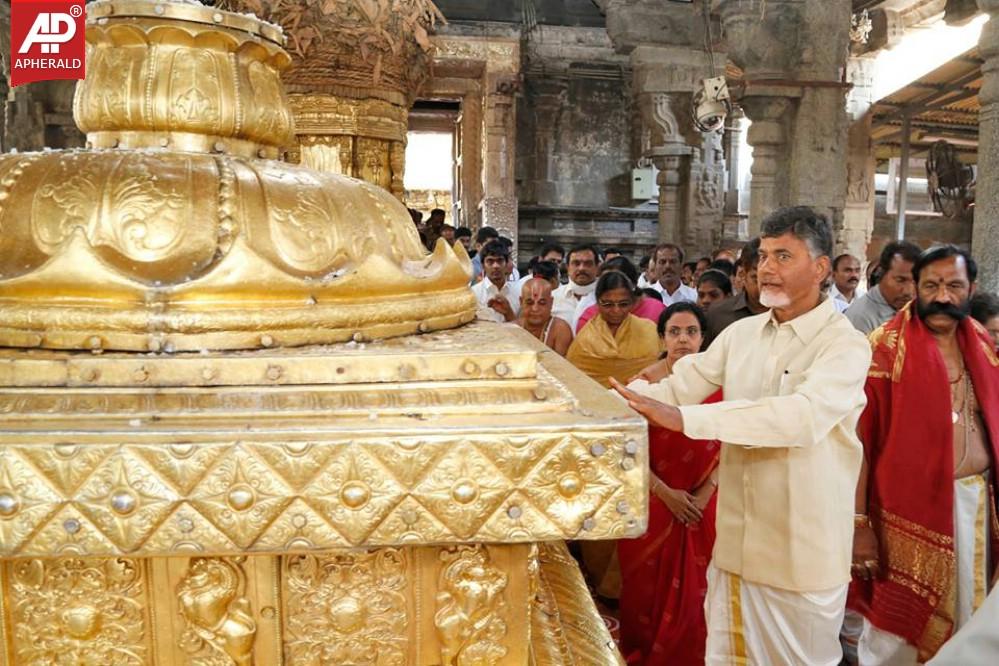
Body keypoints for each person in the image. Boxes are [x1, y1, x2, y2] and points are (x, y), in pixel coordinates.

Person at [611, 206, 872, 665]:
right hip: (734, 550)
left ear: (820, 268)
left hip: (800, 556)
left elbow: (800, 417)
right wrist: (609, 404)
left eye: (783, 256)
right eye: (764, 256)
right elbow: (680, 387)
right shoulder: (742, 335)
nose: (767, 268)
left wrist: (684, 419)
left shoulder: (844, 344)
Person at [849, 245, 999, 665]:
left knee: (974, 624)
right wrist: (858, 524)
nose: (943, 297)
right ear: (915, 287)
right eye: (931, 286)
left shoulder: (982, 342)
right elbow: (859, 444)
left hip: (976, 506)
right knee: (896, 639)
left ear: (971, 289)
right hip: (904, 519)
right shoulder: (883, 349)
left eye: (954, 286)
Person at [618, 302, 721, 665]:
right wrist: (666, 494)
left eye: (691, 332)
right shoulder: (642, 386)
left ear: (703, 338)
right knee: (645, 595)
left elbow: (733, 443)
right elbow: (625, 451)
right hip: (652, 502)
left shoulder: (721, 385)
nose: (683, 340)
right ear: (662, 338)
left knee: (701, 596)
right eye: (674, 332)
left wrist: (705, 493)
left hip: (704, 506)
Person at [566, 271, 661, 389]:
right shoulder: (585, 339)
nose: (616, 310)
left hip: (640, 397)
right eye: (608, 304)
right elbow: (574, 381)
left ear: (632, 302)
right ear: (597, 303)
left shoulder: (649, 331)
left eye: (623, 304)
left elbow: (660, 370)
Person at [703, 238, 767, 348]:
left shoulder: (790, 314)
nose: (764, 285)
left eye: (769, 278)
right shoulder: (718, 314)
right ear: (742, 274)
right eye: (756, 278)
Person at [845, 241, 921, 334]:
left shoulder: (918, 311)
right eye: (900, 280)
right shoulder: (860, 318)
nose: (908, 291)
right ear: (881, 274)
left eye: (915, 282)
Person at [575, 257, 666, 334]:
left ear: (633, 284)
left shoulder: (657, 310)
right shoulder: (589, 317)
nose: (608, 289)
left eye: (615, 282)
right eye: (604, 284)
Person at [516, 278, 572, 356]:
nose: (535, 309)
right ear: (521, 302)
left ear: (551, 303)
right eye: (530, 303)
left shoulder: (560, 329)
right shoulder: (512, 328)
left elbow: (561, 363)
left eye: (542, 303)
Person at [471, 240, 520, 323]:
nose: (496, 266)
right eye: (490, 261)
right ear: (483, 266)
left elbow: (522, 327)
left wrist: (508, 313)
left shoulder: (518, 293)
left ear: (506, 264)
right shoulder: (474, 294)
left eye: (500, 261)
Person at [553, 244, 600, 325]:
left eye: (588, 263)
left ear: (597, 267)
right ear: (567, 267)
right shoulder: (553, 298)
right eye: (576, 263)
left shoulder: (609, 300)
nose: (581, 268)